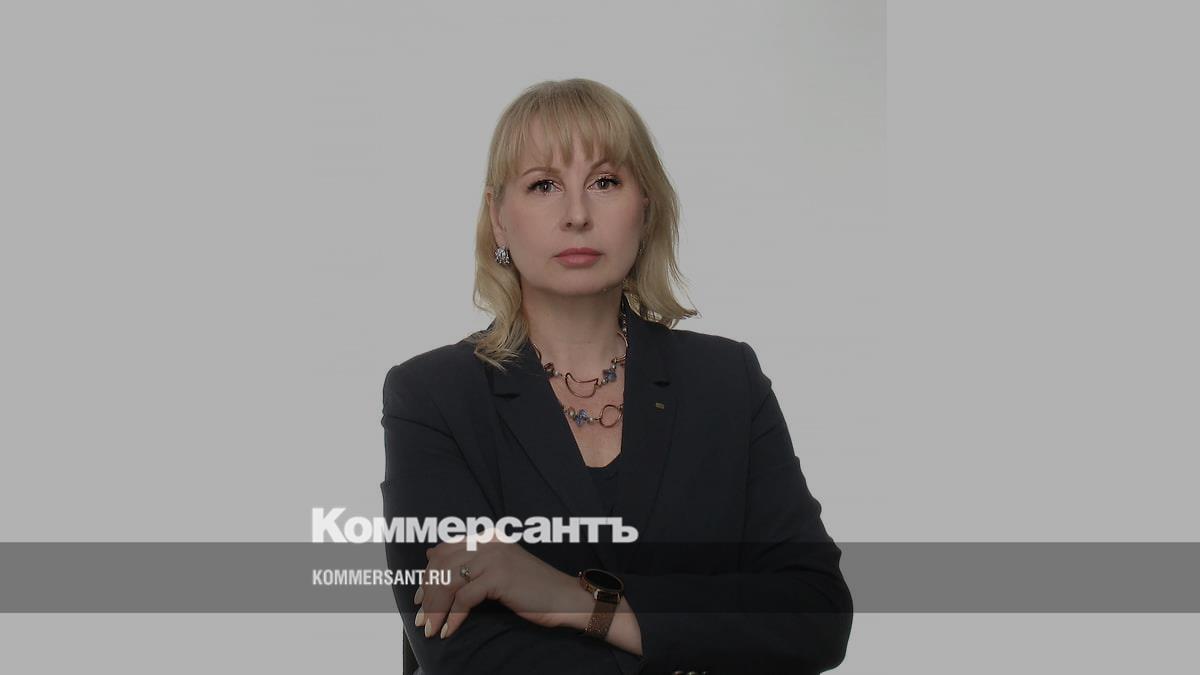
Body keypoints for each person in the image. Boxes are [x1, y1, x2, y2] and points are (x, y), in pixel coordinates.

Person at [381, 78, 852, 675]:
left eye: (605, 182)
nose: (577, 215)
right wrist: (694, 638)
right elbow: (462, 651)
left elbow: (815, 614)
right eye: (543, 185)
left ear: (645, 206)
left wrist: (574, 602)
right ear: (498, 217)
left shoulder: (728, 380)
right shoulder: (432, 395)